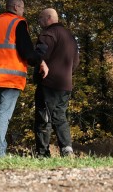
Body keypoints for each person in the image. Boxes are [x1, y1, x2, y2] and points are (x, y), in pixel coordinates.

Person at [0, 0, 48, 157]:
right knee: (4, 115)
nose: (23, 12)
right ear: (16, 7)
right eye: (23, 8)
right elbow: (27, 52)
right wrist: (40, 60)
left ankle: (0, 151)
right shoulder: (18, 23)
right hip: (9, 78)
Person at [33, 8, 79, 158]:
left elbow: (39, 56)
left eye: (40, 18)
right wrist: (66, 74)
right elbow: (76, 62)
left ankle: (42, 154)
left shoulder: (48, 34)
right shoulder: (70, 37)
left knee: (43, 119)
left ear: (48, 18)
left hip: (49, 84)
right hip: (66, 85)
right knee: (60, 116)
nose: (39, 21)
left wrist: (36, 70)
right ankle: (67, 149)